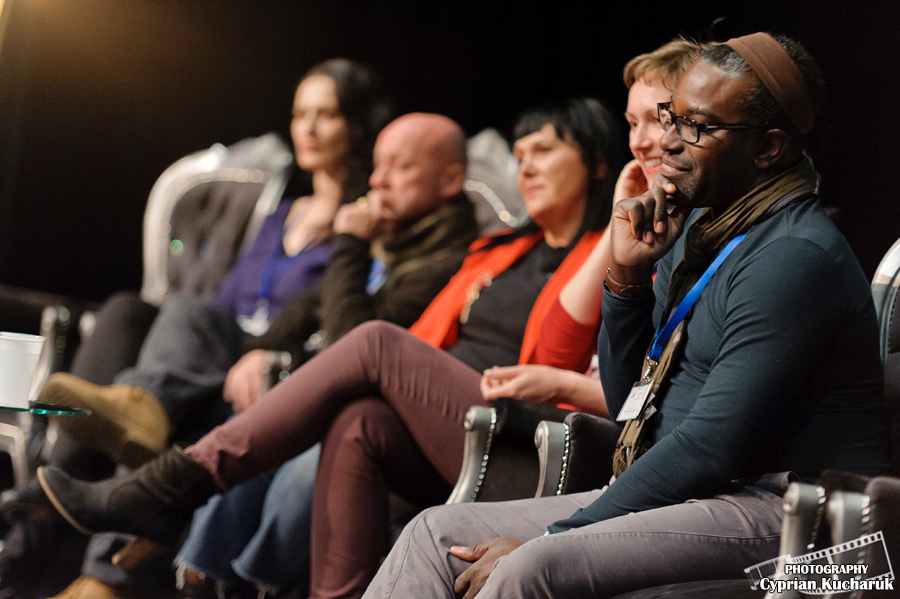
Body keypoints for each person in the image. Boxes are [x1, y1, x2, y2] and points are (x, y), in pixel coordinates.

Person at [339, 32, 889, 597]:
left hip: (801, 521)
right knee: (434, 532)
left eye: (696, 127)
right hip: (706, 495)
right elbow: (634, 402)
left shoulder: (793, 256)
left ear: (769, 149)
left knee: (529, 566)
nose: (668, 143)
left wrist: (555, 533)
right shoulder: (699, 231)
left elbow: (708, 447)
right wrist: (626, 279)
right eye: (669, 119)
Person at [36, 97, 623, 599]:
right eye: (519, 157)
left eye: (544, 152)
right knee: (357, 419)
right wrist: (266, 351)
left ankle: (166, 488)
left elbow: (554, 346)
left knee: (371, 347)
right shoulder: (499, 252)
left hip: (517, 428)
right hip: (433, 414)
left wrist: (614, 221)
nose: (526, 170)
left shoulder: (608, 253)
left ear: (599, 163)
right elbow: (316, 312)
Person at [3, 58, 393, 599]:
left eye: (325, 115)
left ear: (356, 126)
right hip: (210, 354)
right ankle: (65, 494)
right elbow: (228, 299)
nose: (306, 128)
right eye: (300, 113)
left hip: (272, 365)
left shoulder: (367, 226)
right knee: (124, 311)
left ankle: (64, 539)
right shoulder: (282, 214)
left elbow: (343, 328)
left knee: (189, 316)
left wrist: (256, 348)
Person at [172, 111, 481, 598]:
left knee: (320, 432)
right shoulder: (390, 243)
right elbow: (291, 323)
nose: (377, 182)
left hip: (409, 427)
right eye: (376, 166)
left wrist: (352, 244)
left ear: (451, 179)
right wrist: (259, 355)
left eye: (399, 167)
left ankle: (246, 580)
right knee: (262, 405)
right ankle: (195, 570)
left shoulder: (455, 261)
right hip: (323, 391)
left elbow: (354, 346)